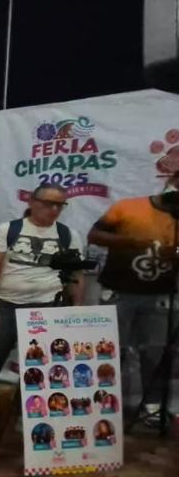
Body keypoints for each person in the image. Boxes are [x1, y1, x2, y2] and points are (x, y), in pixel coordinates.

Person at [87, 174, 179, 421]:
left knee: (156, 353)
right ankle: (104, 404)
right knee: (110, 350)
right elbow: (94, 236)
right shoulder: (128, 207)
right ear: (172, 181)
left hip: (160, 296)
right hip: (119, 292)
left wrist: (175, 252)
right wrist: (128, 241)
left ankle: (152, 407)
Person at [0, 184, 83, 380]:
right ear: (32, 202)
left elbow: (76, 273)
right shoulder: (8, 230)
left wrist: (76, 308)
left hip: (49, 307)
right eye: (49, 203)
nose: (54, 209)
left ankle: (30, 399)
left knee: (42, 362)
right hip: (7, 305)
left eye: (60, 205)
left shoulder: (68, 235)